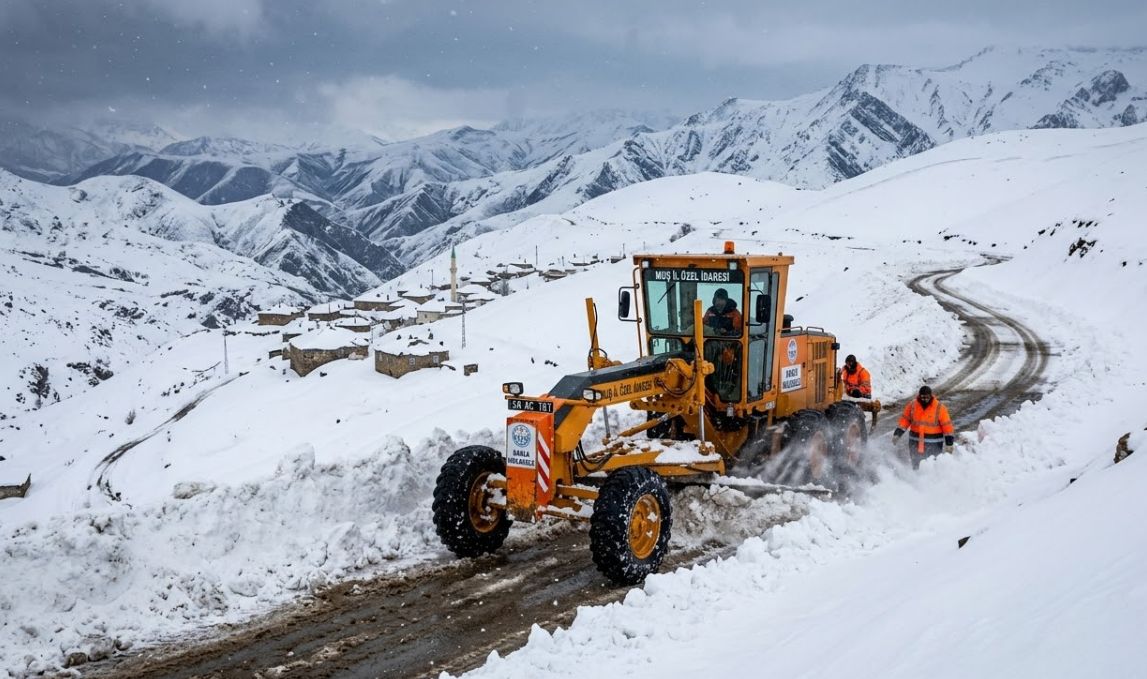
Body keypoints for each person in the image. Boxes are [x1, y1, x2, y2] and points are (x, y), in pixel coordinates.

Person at [893, 385, 954, 469]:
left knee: (931, 466)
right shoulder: (912, 405)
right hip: (915, 442)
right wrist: (898, 433)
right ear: (919, 396)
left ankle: (932, 481)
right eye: (922, 397)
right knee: (916, 465)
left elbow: (947, 426)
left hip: (934, 444)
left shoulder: (939, 408)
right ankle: (915, 480)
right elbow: (905, 420)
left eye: (927, 397)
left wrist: (949, 443)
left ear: (931, 396)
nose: (925, 400)